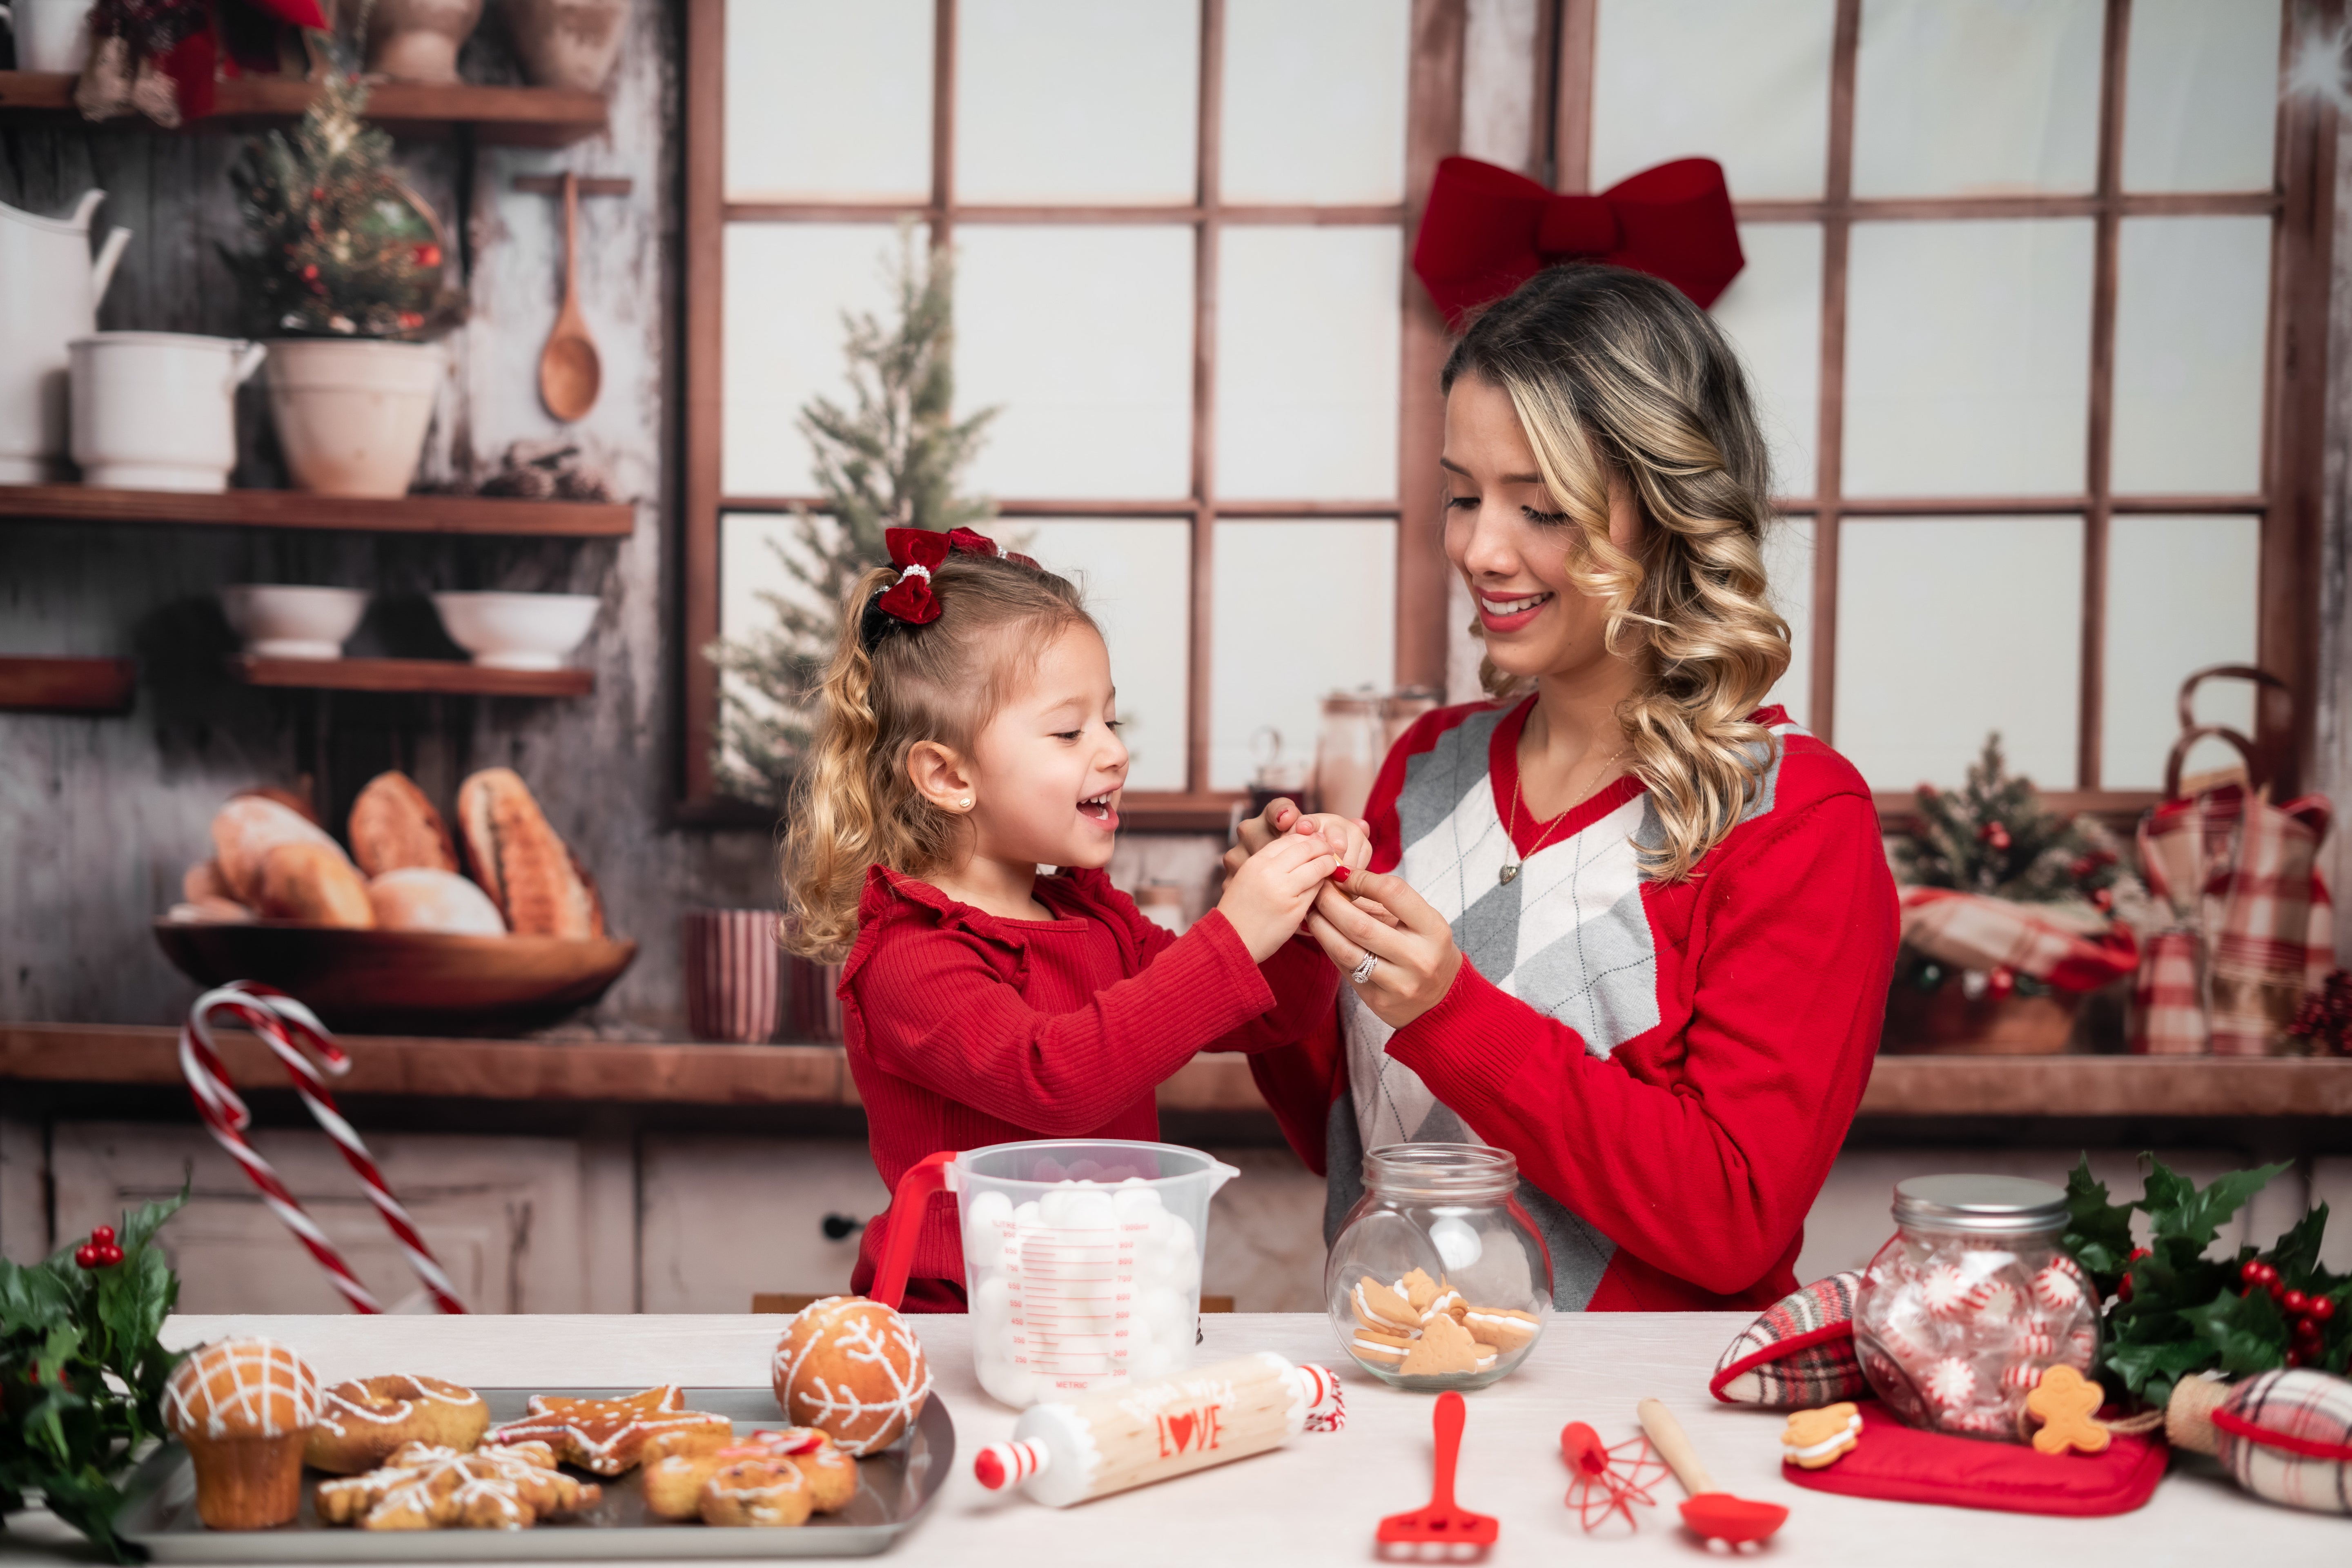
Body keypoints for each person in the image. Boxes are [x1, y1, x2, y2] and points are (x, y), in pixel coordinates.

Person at [1242, 264, 1898, 1312]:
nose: (1480, 549)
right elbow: (1354, 1143)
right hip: (1396, 1370)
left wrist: (1454, 1014)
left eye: (1541, 508)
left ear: (1670, 509)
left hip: (1644, 1405)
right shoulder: (1429, 764)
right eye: (1463, 497)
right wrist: (1281, 947)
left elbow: (1734, 1219)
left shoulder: (1798, 820)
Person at [784, 527, 1369, 1310]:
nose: (1115, 754)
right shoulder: (909, 955)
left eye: (1111, 723)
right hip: (956, 1322)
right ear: (948, 776)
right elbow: (1059, 1079)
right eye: (1069, 732)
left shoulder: (1094, 919)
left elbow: (1272, 1017)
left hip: (1108, 1312)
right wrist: (1235, 930)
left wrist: (1299, 910)